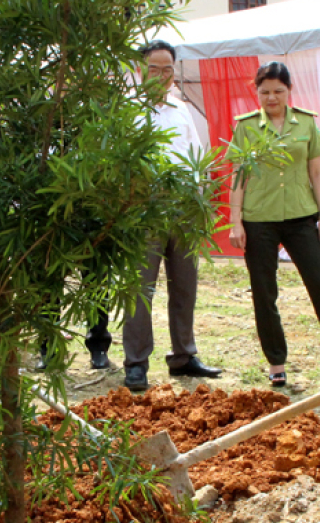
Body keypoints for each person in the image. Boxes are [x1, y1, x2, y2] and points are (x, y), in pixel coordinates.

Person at [228, 61, 320, 388]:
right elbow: (238, 176)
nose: (271, 98)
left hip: (301, 216)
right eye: (265, 92)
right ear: (257, 92)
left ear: (289, 91)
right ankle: (276, 362)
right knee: (264, 292)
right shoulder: (246, 127)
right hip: (258, 220)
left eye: (278, 91)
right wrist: (235, 220)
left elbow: (317, 173)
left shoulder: (307, 124)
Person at [121, 40, 222, 392]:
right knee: (139, 290)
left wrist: (200, 201)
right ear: (140, 70)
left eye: (168, 69)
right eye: (154, 69)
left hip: (183, 212)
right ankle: (136, 363)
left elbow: (199, 156)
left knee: (185, 287)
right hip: (144, 211)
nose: (162, 76)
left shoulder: (181, 110)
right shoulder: (127, 111)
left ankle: (184, 356)